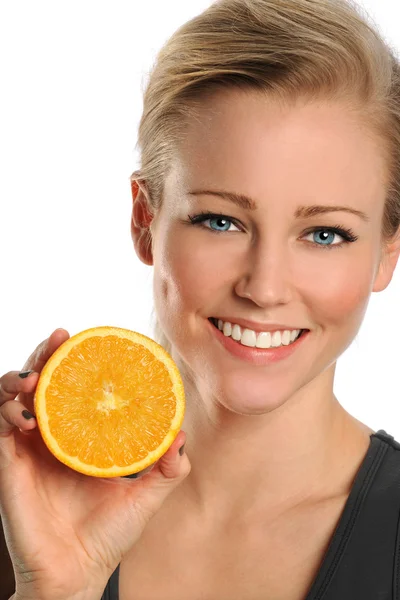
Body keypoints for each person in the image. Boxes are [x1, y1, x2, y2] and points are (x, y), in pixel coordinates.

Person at [2, 0, 400, 598]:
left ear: (387, 254)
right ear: (144, 221)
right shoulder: (22, 518)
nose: (264, 288)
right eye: (220, 221)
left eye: (325, 234)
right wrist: (53, 590)